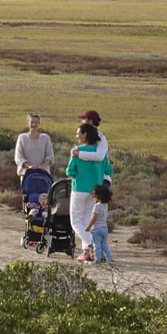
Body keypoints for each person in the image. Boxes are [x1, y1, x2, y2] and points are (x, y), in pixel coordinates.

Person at [66, 121, 112, 263]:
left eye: (78, 133)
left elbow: (70, 171)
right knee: (87, 220)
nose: (76, 135)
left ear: (85, 135)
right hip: (94, 191)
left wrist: (75, 173)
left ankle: (91, 244)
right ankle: (88, 253)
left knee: (75, 221)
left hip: (79, 188)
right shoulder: (100, 152)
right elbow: (108, 170)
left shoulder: (77, 151)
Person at [70, 109, 111, 182]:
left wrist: (79, 154)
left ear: (90, 121)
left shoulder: (100, 137)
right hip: (90, 178)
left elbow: (100, 156)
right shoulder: (86, 136)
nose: (82, 122)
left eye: (84, 119)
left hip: (101, 178)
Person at [14, 113, 55, 177]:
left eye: (36, 122)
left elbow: (50, 155)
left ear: (39, 124)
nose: (34, 124)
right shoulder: (22, 138)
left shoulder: (45, 138)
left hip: (43, 174)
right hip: (26, 174)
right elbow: (18, 157)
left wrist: (42, 166)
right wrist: (29, 166)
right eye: (32, 122)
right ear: (28, 124)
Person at [85, 184, 114, 264]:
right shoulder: (105, 205)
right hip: (104, 228)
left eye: (94, 194)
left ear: (98, 196)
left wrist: (88, 227)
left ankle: (97, 260)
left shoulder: (97, 206)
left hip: (96, 229)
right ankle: (110, 257)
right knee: (104, 245)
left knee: (96, 245)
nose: (93, 195)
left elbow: (94, 218)